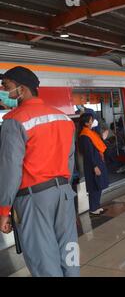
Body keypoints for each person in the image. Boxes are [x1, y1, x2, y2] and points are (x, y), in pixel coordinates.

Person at [0, 66, 79, 277]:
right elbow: (69, 162)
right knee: (69, 251)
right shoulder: (64, 118)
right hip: (64, 194)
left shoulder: (14, 120)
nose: (3, 91)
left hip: (34, 199)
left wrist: (4, 209)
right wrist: (62, 187)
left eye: (6, 86)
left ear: (22, 89)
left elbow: (10, 170)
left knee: (44, 260)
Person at [78, 113, 109, 216]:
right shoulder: (84, 136)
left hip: (97, 161)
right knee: (94, 186)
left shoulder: (91, 132)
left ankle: (97, 206)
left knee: (98, 185)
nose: (93, 121)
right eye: (91, 120)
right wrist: (95, 166)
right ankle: (93, 208)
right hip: (93, 164)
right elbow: (88, 153)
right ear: (86, 123)